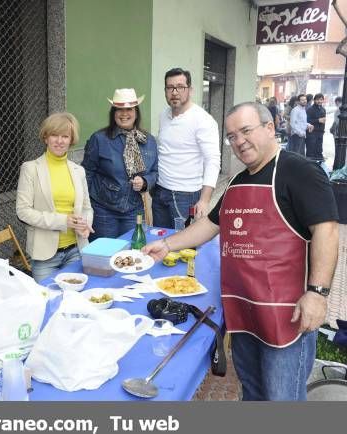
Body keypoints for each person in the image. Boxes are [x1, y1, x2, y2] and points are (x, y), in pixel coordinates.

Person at [142, 102, 339, 401]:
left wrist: (317, 293)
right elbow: (210, 225)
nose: (239, 141)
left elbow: (327, 230)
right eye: (232, 136)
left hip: (286, 316)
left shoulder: (299, 171)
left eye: (246, 131)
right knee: (253, 393)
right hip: (244, 312)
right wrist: (167, 244)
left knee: (282, 399)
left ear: (270, 127)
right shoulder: (237, 181)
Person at [16, 112, 94, 283]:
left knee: (74, 302)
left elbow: (87, 207)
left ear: (71, 139)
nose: (59, 141)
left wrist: (86, 226)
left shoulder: (78, 170)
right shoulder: (30, 169)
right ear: (46, 138)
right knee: (48, 304)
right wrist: (63, 221)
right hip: (45, 257)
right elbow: (23, 212)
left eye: (65, 136)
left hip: (76, 250)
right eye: (54, 135)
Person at [81, 88, 158, 239]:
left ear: (136, 112)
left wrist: (144, 182)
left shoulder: (148, 141)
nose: (124, 114)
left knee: (132, 252)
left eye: (129, 109)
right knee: (105, 255)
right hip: (104, 210)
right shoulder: (99, 139)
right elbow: (86, 174)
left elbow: (155, 172)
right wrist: (85, 208)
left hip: (134, 209)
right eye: (119, 109)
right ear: (113, 113)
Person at [151, 68, 220, 228]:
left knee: (183, 247)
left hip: (185, 195)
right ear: (165, 91)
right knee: (161, 243)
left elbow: (213, 160)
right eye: (170, 88)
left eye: (180, 87)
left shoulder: (203, 120)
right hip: (160, 191)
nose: (175, 92)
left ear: (190, 89)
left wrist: (204, 200)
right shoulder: (164, 115)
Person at [306, 93, 326, 162]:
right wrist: (318, 120)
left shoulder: (323, 109)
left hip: (320, 133)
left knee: (319, 150)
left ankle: (318, 168)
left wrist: (323, 131)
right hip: (312, 133)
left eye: (321, 99)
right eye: (317, 99)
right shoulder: (310, 109)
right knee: (311, 151)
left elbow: (323, 121)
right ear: (314, 100)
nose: (319, 101)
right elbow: (307, 121)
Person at [330, 96, 345, 170]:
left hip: (338, 134)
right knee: (343, 152)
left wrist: (332, 129)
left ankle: (337, 167)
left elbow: (336, 122)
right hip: (343, 134)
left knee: (338, 150)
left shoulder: (338, 110)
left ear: (337, 102)